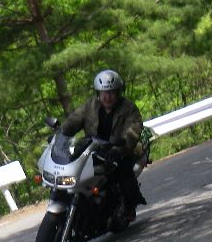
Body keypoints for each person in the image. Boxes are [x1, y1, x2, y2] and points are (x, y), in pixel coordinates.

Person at [60, 69, 147, 220]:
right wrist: (61, 133)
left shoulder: (129, 108)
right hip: (91, 149)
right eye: (104, 92)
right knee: (71, 169)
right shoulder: (90, 106)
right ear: (98, 93)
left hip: (119, 150)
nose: (107, 96)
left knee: (124, 175)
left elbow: (133, 130)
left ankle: (129, 206)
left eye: (111, 92)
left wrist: (119, 149)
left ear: (118, 92)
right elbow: (74, 120)